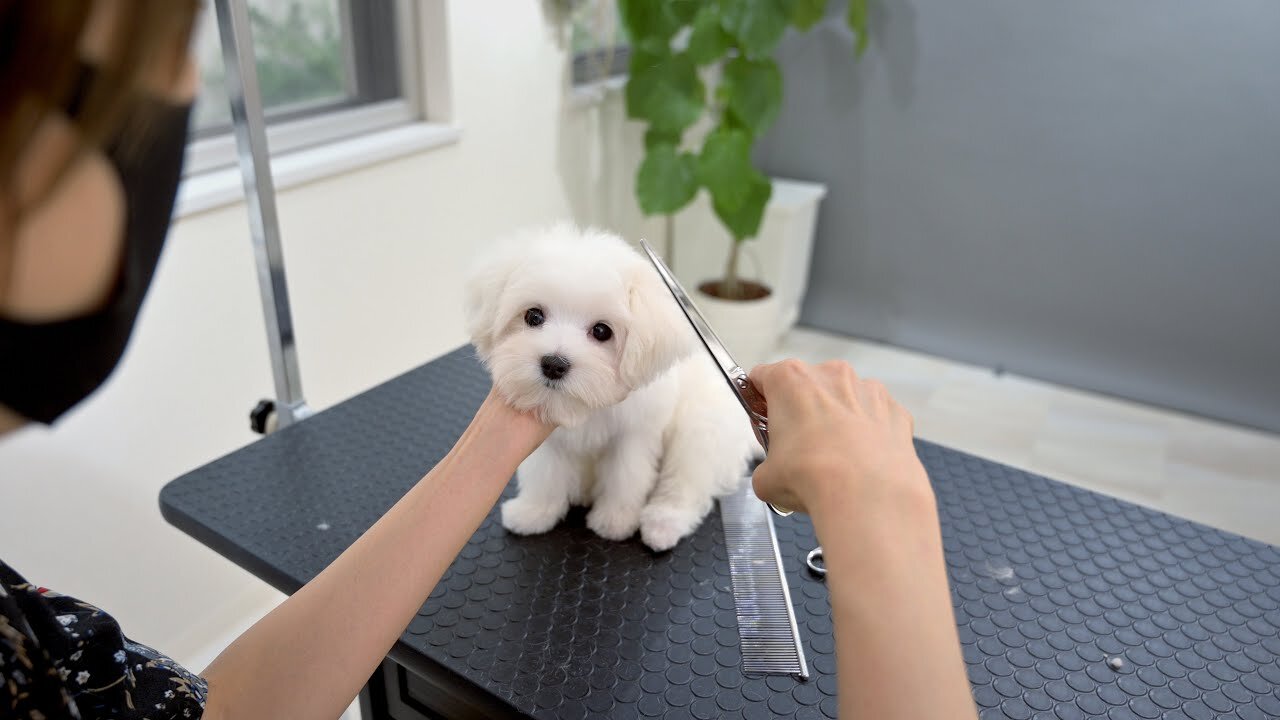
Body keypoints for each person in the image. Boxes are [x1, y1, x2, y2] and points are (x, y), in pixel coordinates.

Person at [0, 3, 977, 719]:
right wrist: (880, 504)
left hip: (657, 445)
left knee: (647, 473)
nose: (181, 93)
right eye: (163, 54)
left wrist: (523, 448)